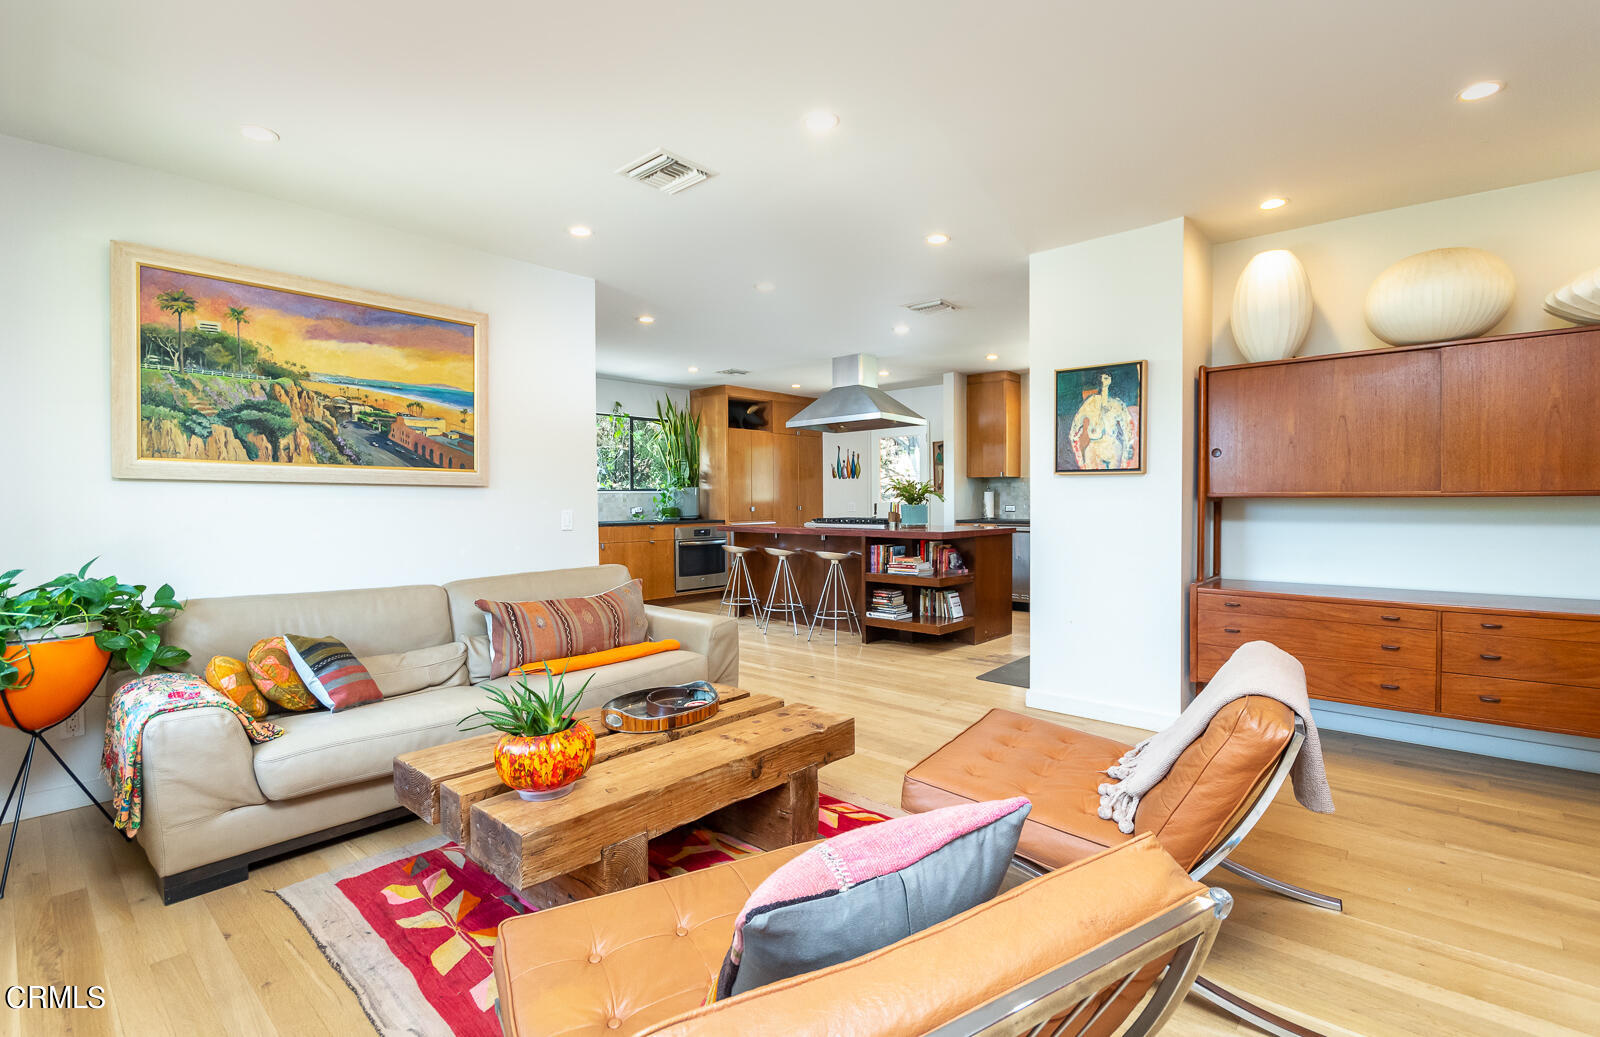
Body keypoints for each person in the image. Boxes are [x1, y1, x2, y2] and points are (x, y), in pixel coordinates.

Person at [1068, 372, 1136, 469]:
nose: (1103, 380)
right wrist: (1080, 459)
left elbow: (1128, 430)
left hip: (1112, 446)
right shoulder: (1091, 402)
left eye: (1106, 378)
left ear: (1111, 380)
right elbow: (1075, 426)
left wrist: (1125, 459)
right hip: (1094, 446)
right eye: (1101, 378)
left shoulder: (1117, 404)